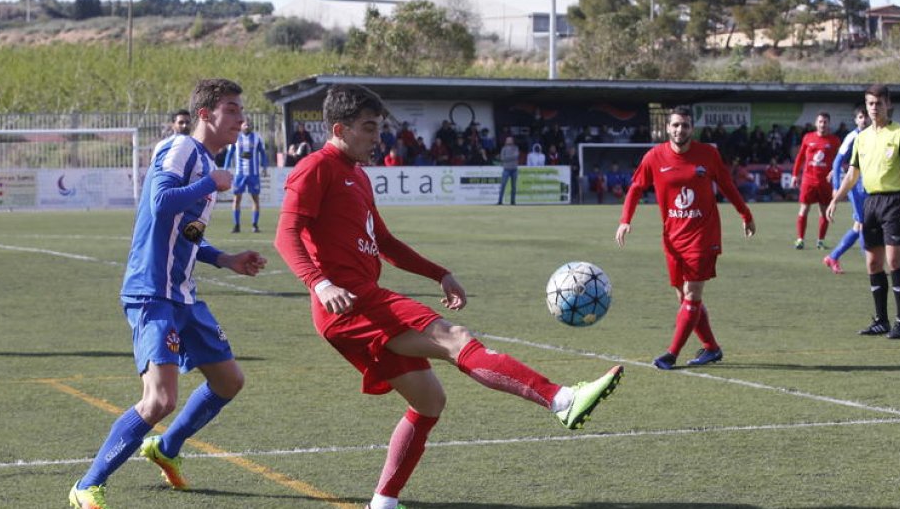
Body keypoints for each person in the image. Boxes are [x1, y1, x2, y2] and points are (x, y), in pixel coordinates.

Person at [274, 84, 623, 509]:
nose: (375, 137)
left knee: (429, 400)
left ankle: (383, 502)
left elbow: (383, 240)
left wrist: (438, 273)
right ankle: (561, 399)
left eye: (378, 128)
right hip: (351, 303)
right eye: (368, 128)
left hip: (360, 300)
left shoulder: (358, 176)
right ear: (339, 129)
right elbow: (285, 234)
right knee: (455, 337)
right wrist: (320, 283)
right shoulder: (316, 167)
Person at [69, 79, 268, 509]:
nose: (240, 119)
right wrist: (210, 183)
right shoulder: (181, 149)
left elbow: (186, 235)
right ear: (205, 114)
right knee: (160, 399)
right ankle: (87, 484)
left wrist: (225, 259)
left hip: (183, 294)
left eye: (240, 110)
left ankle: (167, 447)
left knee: (229, 380)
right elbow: (161, 202)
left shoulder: (203, 162)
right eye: (231, 109)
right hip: (151, 292)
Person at [616, 106, 756, 370]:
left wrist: (745, 214)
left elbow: (727, 185)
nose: (681, 130)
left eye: (686, 125)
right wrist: (625, 220)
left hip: (703, 236)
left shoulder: (708, 154)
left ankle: (671, 354)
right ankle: (712, 348)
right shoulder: (654, 157)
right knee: (684, 298)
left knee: (692, 295)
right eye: (676, 125)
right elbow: (636, 188)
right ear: (668, 128)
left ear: (693, 128)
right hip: (672, 238)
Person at [827, 84, 900, 340]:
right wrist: (836, 198)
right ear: (865, 107)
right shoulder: (862, 137)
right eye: (870, 103)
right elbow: (852, 173)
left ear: (888, 103)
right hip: (870, 204)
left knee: (893, 262)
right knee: (873, 263)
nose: (874, 108)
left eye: (879, 103)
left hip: (895, 203)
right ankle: (881, 320)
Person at [823, 106, 870, 275]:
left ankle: (833, 257)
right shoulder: (852, 136)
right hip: (856, 186)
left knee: (859, 225)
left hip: (870, 186)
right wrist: (836, 187)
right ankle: (872, 265)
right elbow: (837, 162)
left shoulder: (874, 135)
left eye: (865, 117)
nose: (864, 120)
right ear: (856, 120)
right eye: (860, 117)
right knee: (864, 224)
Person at [791, 112, 841, 250]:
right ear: (816, 123)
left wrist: (835, 171)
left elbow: (840, 159)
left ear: (829, 124)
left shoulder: (834, 140)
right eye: (820, 121)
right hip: (809, 180)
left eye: (825, 122)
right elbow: (800, 157)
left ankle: (820, 241)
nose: (822, 124)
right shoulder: (808, 138)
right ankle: (800, 239)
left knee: (824, 211)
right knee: (804, 209)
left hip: (825, 182)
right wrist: (795, 175)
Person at [223, 118, 267, 233]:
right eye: (245, 125)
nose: (247, 127)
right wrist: (225, 168)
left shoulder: (257, 137)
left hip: (254, 174)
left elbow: (262, 152)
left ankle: (255, 225)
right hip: (240, 174)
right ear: (241, 126)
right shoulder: (236, 137)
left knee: (255, 199)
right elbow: (230, 153)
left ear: (251, 126)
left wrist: (265, 167)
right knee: (237, 199)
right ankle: (236, 225)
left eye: (249, 125)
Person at [496, 136, 520, 205]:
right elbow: (502, 158)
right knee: (503, 185)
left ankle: (513, 201)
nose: (509, 141)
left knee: (514, 186)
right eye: (507, 140)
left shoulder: (516, 148)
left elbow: (516, 156)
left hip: (514, 169)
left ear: (512, 141)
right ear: (506, 141)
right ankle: (500, 201)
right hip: (506, 169)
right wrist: (511, 157)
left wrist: (507, 158)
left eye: (510, 140)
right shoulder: (503, 148)